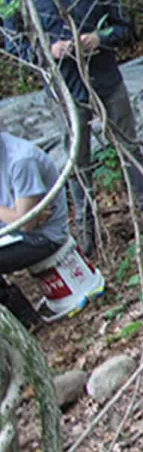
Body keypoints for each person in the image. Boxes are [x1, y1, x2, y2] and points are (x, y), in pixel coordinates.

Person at [2, 0, 143, 244]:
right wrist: (49, 51)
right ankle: (88, 232)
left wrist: (99, 39)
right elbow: (12, 44)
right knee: (77, 161)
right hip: (62, 90)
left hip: (105, 79)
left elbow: (122, 27)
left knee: (129, 147)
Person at [0, 131, 69, 327]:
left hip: (44, 237)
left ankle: (23, 319)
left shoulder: (21, 160)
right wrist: (14, 215)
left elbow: (25, 225)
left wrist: (17, 216)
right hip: (12, 233)